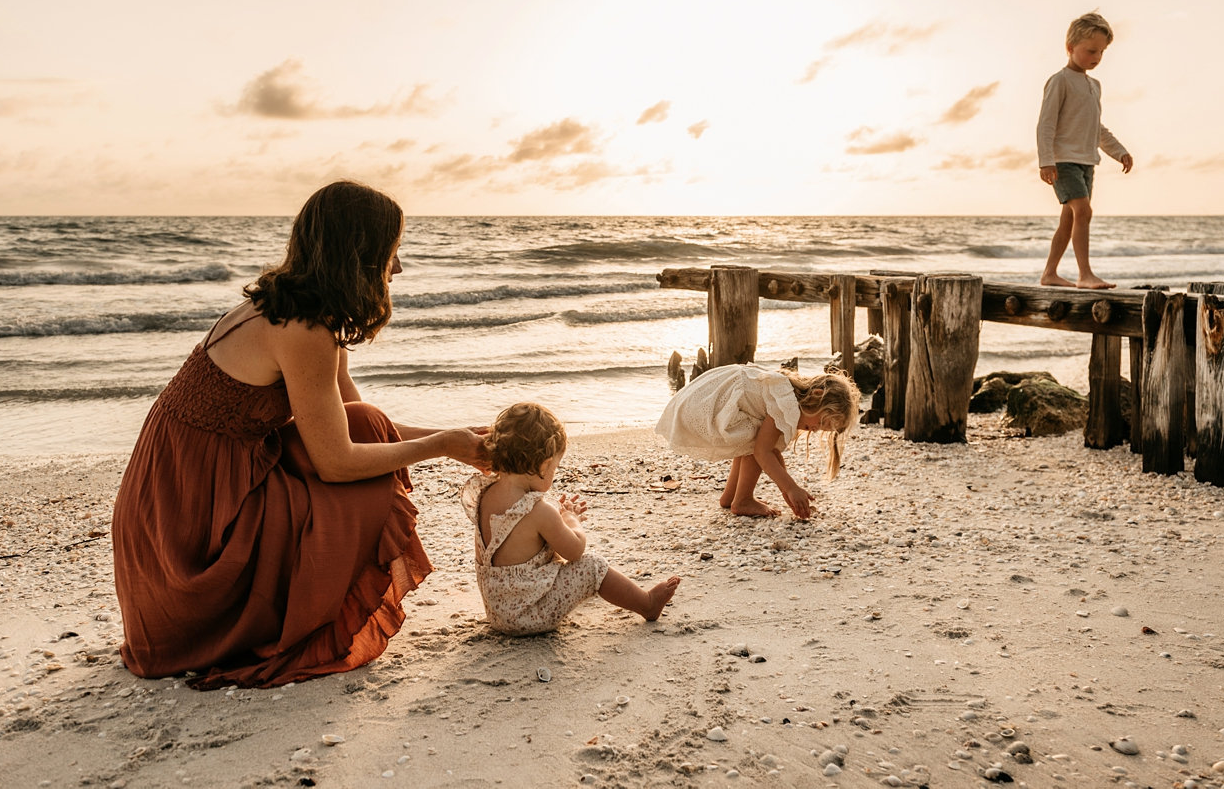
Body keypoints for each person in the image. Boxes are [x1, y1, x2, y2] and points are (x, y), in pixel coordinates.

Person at [112, 180, 489, 689]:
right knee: (366, 461)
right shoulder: (302, 328)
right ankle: (285, 615)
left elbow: (357, 421)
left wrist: (453, 440)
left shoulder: (305, 312)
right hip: (190, 528)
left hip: (194, 490)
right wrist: (439, 447)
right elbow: (336, 461)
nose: (397, 268)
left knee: (370, 422)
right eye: (392, 252)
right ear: (359, 254)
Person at [460, 402, 680, 635]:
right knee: (593, 567)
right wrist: (571, 519)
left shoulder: (485, 494)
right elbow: (575, 551)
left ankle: (605, 592)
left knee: (564, 568)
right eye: (555, 468)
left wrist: (558, 520)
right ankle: (647, 604)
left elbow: (520, 545)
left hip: (498, 613)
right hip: (530, 616)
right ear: (544, 466)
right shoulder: (537, 510)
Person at [654, 364, 859, 519]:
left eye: (822, 429)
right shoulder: (787, 402)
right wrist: (791, 488)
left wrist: (788, 491)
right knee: (757, 442)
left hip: (698, 402)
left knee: (758, 438)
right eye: (821, 421)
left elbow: (773, 453)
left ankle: (731, 496)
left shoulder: (783, 392)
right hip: (704, 409)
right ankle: (742, 500)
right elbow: (763, 452)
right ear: (816, 395)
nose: (814, 429)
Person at [1036, 10, 1134, 290]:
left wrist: (1119, 151)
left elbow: (1097, 128)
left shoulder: (1095, 86)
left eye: (1101, 52)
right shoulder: (1060, 81)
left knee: (1069, 219)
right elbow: (1045, 124)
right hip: (1063, 161)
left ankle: (1049, 274)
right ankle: (1085, 275)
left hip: (1086, 162)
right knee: (1084, 211)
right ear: (1070, 47)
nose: (1097, 57)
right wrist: (1046, 161)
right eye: (1091, 50)